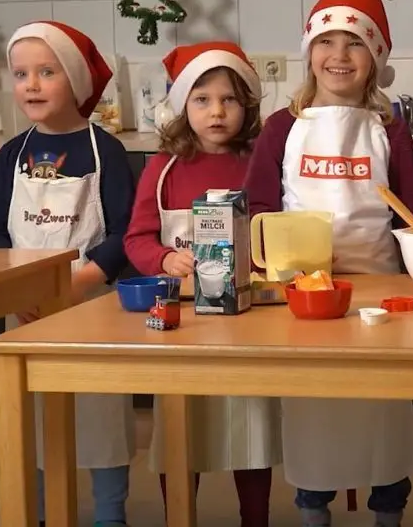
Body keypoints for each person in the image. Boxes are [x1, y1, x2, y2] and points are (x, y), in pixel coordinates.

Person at [244, 0, 413, 527]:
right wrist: (275, 266)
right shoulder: (282, 127)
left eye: (355, 44)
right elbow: (257, 207)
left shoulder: (390, 130)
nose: (339, 56)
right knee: (312, 409)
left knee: (383, 411)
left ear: (375, 59)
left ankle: (388, 509)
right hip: (306, 298)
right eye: (327, 42)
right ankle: (312, 510)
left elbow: (409, 211)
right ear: (309, 53)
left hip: (377, 292)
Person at [0, 21, 138, 526]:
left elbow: (123, 235)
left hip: (91, 306)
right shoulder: (11, 155)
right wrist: (19, 292)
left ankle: (109, 514)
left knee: (101, 415)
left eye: (46, 72)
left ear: (75, 80)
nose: (31, 84)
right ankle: (44, 513)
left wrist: (78, 283)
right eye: (21, 73)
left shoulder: (105, 151)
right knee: (35, 421)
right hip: (25, 311)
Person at [124, 41, 280, 527]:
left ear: (248, 107)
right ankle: (179, 516)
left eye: (229, 100)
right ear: (182, 105)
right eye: (202, 99)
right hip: (181, 320)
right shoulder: (163, 167)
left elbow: (271, 228)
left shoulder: (259, 162)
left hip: (245, 320)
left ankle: (255, 518)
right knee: (179, 431)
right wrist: (166, 257)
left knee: (249, 430)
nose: (216, 112)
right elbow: (137, 238)